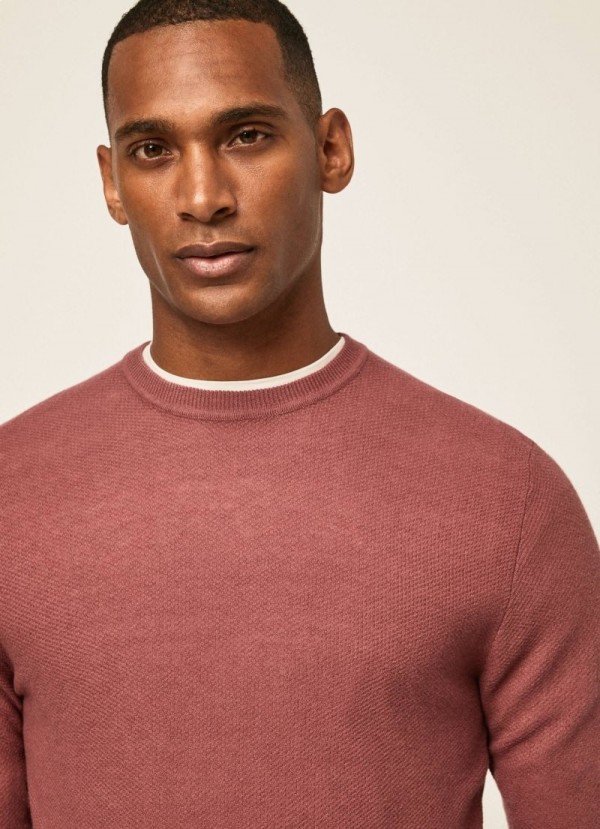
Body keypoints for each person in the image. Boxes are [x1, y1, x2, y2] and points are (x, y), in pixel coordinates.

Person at [0, 0, 598, 826]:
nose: (202, 196)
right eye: (153, 150)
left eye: (246, 135)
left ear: (331, 149)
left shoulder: (509, 501)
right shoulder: (12, 494)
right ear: (112, 182)